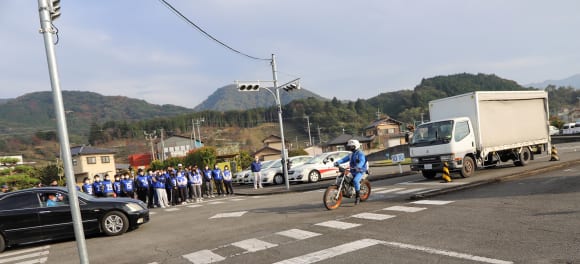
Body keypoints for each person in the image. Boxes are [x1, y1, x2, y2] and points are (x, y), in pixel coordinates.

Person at [334, 139, 367, 205]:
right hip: (352, 170)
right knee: (343, 177)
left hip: (359, 171)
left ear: (356, 146)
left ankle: (357, 197)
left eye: (352, 146)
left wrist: (358, 166)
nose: (350, 148)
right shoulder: (351, 154)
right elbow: (344, 159)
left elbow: (362, 161)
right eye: (350, 146)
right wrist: (338, 162)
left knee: (355, 181)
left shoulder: (360, 153)